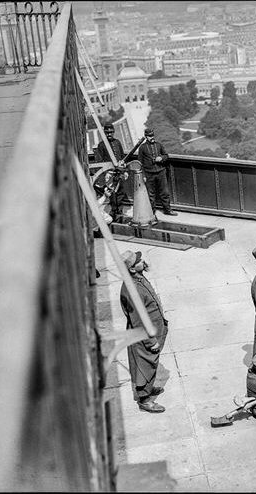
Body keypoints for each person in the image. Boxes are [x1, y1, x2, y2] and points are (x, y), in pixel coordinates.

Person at [119, 250, 169, 413]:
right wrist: (151, 341)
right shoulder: (132, 288)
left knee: (150, 363)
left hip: (152, 330)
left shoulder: (137, 277)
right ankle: (144, 399)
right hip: (144, 336)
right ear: (132, 269)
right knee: (144, 365)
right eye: (139, 261)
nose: (143, 261)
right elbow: (138, 320)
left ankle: (147, 389)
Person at [137, 128, 177, 217]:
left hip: (161, 172)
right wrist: (143, 175)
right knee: (150, 194)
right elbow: (140, 163)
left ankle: (167, 210)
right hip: (148, 173)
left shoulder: (159, 145)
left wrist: (161, 158)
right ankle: (151, 212)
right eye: (150, 136)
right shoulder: (142, 148)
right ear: (146, 137)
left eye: (152, 135)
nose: (152, 137)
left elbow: (166, 155)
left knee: (165, 192)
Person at [95, 123, 129, 219]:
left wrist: (125, 170)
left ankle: (120, 211)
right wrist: (106, 173)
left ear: (113, 132)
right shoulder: (101, 145)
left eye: (111, 132)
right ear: (105, 133)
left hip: (120, 171)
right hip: (110, 173)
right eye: (107, 132)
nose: (109, 134)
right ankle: (114, 211)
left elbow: (122, 157)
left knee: (121, 191)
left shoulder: (117, 142)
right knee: (112, 193)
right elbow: (100, 161)